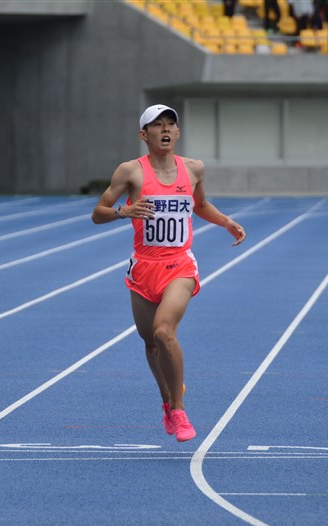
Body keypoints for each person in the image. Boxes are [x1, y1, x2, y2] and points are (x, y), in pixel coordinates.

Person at [91, 104, 246, 442]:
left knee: (164, 332)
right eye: (156, 124)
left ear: (177, 133)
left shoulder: (193, 169)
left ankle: (179, 409)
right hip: (144, 267)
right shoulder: (130, 172)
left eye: (170, 124)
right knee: (150, 343)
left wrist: (226, 222)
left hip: (179, 265)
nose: (164, 129)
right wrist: (124, 211)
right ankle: (167, 401)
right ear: (143, 134)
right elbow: (98, 213)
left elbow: (200, 205)